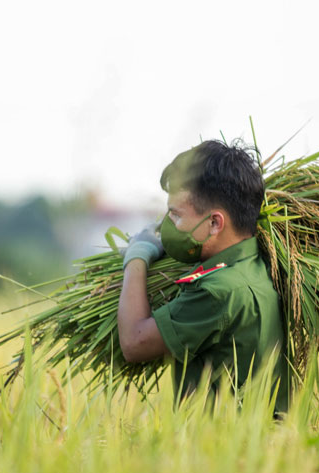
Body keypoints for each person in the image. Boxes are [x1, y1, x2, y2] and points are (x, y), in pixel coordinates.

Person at [117, 139, 289, 414]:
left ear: (214, 223)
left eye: (175, 215)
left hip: (228, 451)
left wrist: (136, 258)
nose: (166, 225)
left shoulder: (218, 291)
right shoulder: (254, 265)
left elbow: (134, 343)